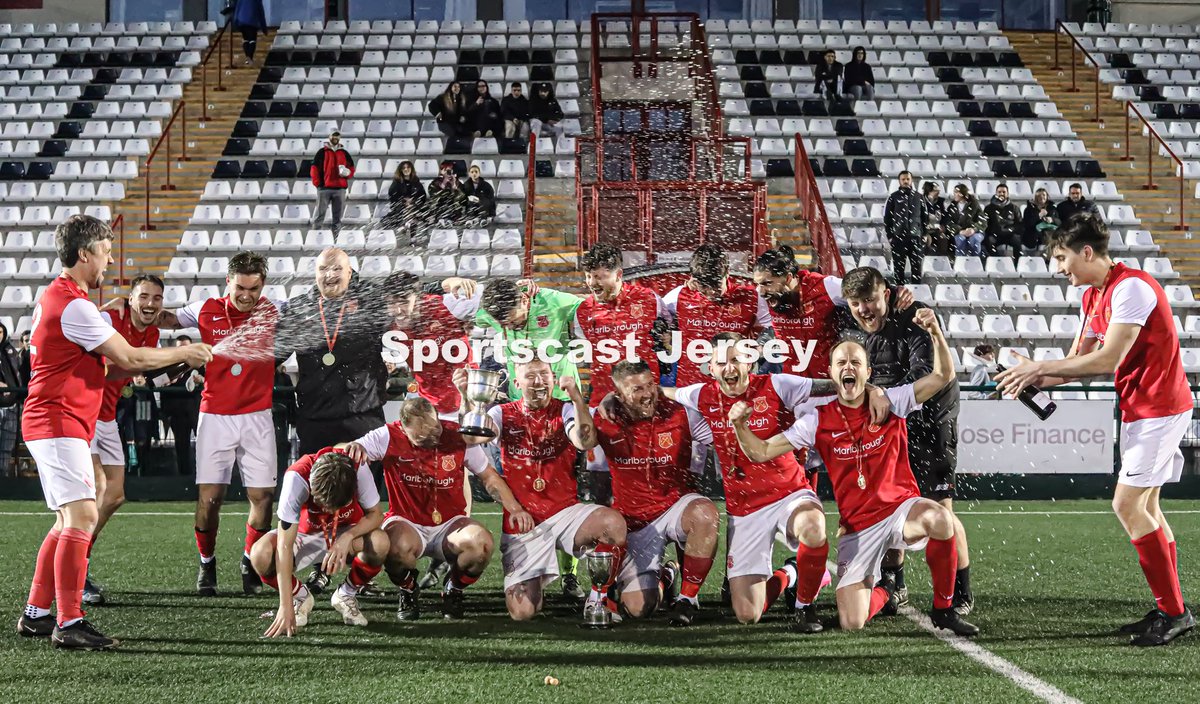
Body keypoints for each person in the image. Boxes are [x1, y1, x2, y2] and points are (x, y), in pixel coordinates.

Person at [997, 215, 1195, 646]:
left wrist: (1040, 368)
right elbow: (1073, 364)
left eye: (1062, 258)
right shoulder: (1093, 297)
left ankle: (1176, 612)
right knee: (1148, 510)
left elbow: (1107, 360)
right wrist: (1026, 376)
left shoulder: (1132, 289)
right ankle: (1170, 607)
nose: (1059, 269)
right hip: (1141, 409)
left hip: (1161, 407)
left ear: (1086, 252)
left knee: (1126, 506)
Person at [16, 214, 211, 649]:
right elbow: (132, 359)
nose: (109, 261)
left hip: (58, 420)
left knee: (67, 519)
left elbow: (116, 365)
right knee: (83, 516)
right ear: (84, 254)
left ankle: (37, 613)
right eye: (104, 252)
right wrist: (185, 350)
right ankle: (68, 622)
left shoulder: (62, 297)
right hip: (57, 420)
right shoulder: (76, 305)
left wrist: (174, 361)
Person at [730, 308, 979, 636]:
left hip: (900, 509)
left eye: (856, 363)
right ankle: (886, 591)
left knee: (940, 519)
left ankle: (944, 610)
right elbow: (760, 451)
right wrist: (739, 425)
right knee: (852, 621)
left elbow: (941, 376)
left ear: (868, 372)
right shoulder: (817, 420)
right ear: (832, 374)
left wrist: (935, 332)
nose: (848, 368)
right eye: (841, 364)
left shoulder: (891, 401)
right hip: (858, 526)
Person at [664, 334, 867, 631]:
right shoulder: (701, 395)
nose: (729, 367)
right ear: (710, 367)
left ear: (750, 362)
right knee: (748, 613)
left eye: (736, 359)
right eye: (721, 361)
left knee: (812, 525)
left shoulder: (777, 385)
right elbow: (664, 393)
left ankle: (804, 606)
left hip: (789, 492)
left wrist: (870, 389)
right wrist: (613, 395)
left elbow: (831, 386)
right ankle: (792, 572)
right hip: (744, 508)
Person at [838, 266, 974, 616]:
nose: (864, 309)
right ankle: (894, 583)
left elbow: (925, 378)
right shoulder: (848, 326)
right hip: (889, 422)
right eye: (856, 303)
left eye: (869, 300)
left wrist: (882, 395)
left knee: (940, 505)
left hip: (930, 421)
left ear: (885, 294)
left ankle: (961, 592)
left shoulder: (913, 315)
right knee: (885, 503)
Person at [155, 252, 281, 597]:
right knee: (210, 499)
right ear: (228, 282)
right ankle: (207, 564)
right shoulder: (204, 308)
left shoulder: (273, 309)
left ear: (262, 285)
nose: (246, 295)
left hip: (258, 416)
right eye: (240, 287)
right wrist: (132, 308)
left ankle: (248, 563)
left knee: (263, 497)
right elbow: (164, 319)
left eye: (253, 288)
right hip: (215, 416)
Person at [342, 396, 533, 620]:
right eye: (422, 435)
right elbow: (348, 450)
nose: (432, 437)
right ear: (404, 428)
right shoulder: (387, 436)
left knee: (481, 545)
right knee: (394, 548)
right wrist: (352, 447)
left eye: (435, 429)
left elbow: (488, 476)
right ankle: (408, 588)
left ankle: (453, 588)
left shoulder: (457, 436)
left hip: (451, 524)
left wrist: (515, 508)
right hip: (407, 521)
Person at [481, 360, 627, 621]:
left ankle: (598, 600)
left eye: (544, 375)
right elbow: (476, 436)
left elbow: (585, 441)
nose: (538, 381)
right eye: (531, 376)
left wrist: (577, 397)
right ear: (517, 384)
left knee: (612, 523)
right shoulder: (502, 413)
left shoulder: (566, 410)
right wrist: (471, 401)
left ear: (553, 378)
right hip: (524, 522)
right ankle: (536, 577)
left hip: (564, 513)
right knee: (522, 612)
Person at [580, 360, 720, 626]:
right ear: (619, 395)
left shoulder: (682, 413)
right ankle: (667, 577)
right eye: (636, 390)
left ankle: (687, 600)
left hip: (677, 505)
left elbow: (722, 434)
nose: (647, 394)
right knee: (637, 609)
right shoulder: (602, 419)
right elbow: (578, 436)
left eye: (650, 386)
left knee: (704, 513)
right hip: (635, 519)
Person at [84, 274, 165, 606]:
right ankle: (75, 570)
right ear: (130, 299)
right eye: (143, 296)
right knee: (96, 490)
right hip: (85, 413)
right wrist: (134, 368)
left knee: (115, 495)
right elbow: (104, 368)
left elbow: (139, 369)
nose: (149, 304)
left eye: (156, 298)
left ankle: (79, 556)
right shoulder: (109, 317)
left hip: (108, 417)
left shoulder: (154, 331)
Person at [255, 448, 388, 636]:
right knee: (260, 554)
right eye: (322, 502)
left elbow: (376, 515)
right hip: (304, 534)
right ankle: (300, 596)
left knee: (380, 542)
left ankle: (346, 594)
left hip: (345, 531)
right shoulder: (296, 478)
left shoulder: (359, 469)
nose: (326, 508)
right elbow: (284, 545)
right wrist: (285, 605)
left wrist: (347, 537)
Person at [275, 248, 392, 455]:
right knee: (317, 486)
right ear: (315, 274)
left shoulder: (370, 300)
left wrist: (443, 284)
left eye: (337, 268)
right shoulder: (298, 309)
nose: (329, 275)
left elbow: (408, 297)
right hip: (314, 419)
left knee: (366, 487)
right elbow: (272, 355)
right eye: (323, 269)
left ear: (349, 272)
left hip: (363, 417)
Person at [662, 244, 773, 390]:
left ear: (727, 272)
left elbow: (773, 327)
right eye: (704, 286)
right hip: (691, 389)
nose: (710, 292)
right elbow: (657, 324)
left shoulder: (751, 297)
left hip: (734, 386)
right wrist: (665, 333)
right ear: (693, 279)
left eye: (715, 285)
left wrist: (759, 348)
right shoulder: (678, 297)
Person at [477, 277, 582, 404]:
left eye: (513, 321)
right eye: (503, 325)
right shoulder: (492, 311)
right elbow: (467, 316)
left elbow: (594, 308)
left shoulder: (552, 301)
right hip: (520, 398)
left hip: (561, 394)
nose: (509, 327)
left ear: (524, 299)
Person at [751, 244, 844, 378]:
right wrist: (762, 345)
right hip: (792, 387)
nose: (760, 291)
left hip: (827, 385)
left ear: (788, 278)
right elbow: (770, 329)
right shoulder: (767, 296)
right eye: (758, 284)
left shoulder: (827, 287)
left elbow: (869, 293)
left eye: (767, 283)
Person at [159, 335, 202, 476]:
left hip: (196, 410)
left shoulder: (199, 365)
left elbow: (211, 381)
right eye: (180, 347)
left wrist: (201, 380)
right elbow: (158, 382)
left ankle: (205, 476)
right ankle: (185, 478)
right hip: (176, 412)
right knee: (181, 446)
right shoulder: (168, 365)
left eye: (186, 347)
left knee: (204, 445)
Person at [309, 131, 355, 234]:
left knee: (337, 218)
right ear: (329, 136)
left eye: (337, 136)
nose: (335, 137)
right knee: (320, 216)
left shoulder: (344, 153)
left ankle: (335, 240)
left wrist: (347, 174)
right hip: (324, 189)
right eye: (333, 135)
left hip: (339, 189)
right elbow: (314, 169)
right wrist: (318, 184)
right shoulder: (322, 152)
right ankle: (315, 238)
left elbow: (351, 168)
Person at [883, 170, 924, 284]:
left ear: (911, 180)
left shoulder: (919, 197)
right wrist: (890, 236)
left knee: (916, 268)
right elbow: (887, 219)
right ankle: (899, 295)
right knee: (898, 269)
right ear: (899, 181)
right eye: (903, 179)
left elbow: (924, 217)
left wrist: (923, 234)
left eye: (908, 179)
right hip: (898, 238)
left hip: (915, 238)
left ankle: (917, 294)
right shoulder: (894, 197)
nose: (906, 181)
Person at [0, 321, 22, 475]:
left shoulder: (10, 351)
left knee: (7, 447)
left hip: (13, 406)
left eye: (0, 332)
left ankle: (4, 477)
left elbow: (18, 373)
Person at [385, 161, 428, 232]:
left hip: (414, 207)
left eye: (408, 167)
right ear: (401, 170)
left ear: (411, 169)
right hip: (401, 208)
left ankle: (411, 232)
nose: (406, 169)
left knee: (423, 212)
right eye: (403, 168)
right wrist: (404, 201)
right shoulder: (396, 182)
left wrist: (412, 201)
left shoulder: (416, 181)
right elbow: (392, 196)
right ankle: (405, 225)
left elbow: (423, 196)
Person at [983, 184, 1022, 261]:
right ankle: (998, 261)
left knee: (1017, 241)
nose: (1001, 194)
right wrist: (993, 231)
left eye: (1004, 192)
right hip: (995, 235)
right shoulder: (988, 208)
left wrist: (1011, 230)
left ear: (1007, 194)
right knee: (989, 241)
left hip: (1010, 235)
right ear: (996, 193)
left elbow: (1019, 224)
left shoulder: (1014, 208)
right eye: (999, 192)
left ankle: (1018, 264)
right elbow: (986, 224)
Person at [946, 184, 987, 256]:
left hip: (975, 232)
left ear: (962, 194)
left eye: (956, 192)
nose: (954, 194)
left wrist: (974, 229)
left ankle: (976, 262)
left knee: (974, 239)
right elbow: (948, 223)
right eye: (954, 192)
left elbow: (983, 221)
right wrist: (960, 231)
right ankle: (960, 262)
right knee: (960, 239)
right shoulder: (952, 206)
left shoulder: (974, 204)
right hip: (959, 232)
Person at [223, 0, 266, 66]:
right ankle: (249, 57)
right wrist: (264, 27)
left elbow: (237, 8)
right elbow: (260, 11)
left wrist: (236, 22)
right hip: (252, 20)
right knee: (252, 40)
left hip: (241, 20)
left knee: (245, 39)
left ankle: (247, 57)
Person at [1022, 188, 1060, 257]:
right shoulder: (1028, 209)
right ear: (1036, 198)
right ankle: (1046, 258)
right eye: (1039, 196)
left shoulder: (1052, 208)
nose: (1042, 197)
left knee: (1052, 234)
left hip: (1049, 232)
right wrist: (1039, 216)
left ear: (1047, 196)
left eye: (1044, 195)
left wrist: (1052, 219)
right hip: (1033, 234)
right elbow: (1028, 224)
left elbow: (1059, 222)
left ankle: (1048, 259)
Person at [427, 161, 466, 225]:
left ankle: (449, 220)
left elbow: (463, 197)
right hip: (439, 209)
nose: (448, 173)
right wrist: (443, 184)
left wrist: (454, 187)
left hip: (454, 210)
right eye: (446, 170)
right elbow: (433, 195)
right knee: (444, 199)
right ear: (441, 171)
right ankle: (442, 220)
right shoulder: (435, 182)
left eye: (450, 170)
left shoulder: (457, 183)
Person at [920, 181, 949, 256]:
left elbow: (945, 216)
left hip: (936, 229)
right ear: (929, 191)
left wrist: (943, 225)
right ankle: (924, 261)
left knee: (943, 239)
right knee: (926, 240)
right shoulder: (921, 201)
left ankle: (942, 260)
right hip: (924, 230)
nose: (938, 192)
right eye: (935, 190)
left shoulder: (940, 202)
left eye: (938, 190)